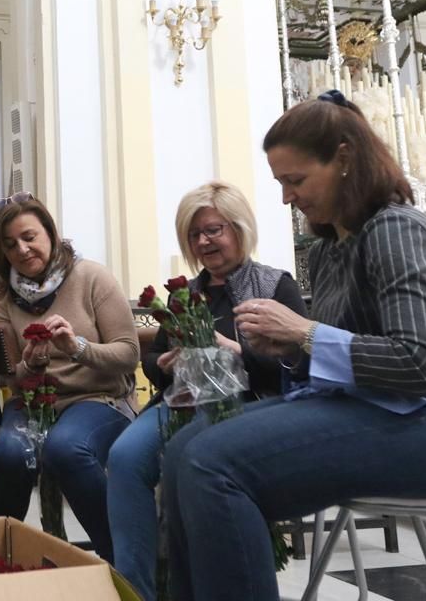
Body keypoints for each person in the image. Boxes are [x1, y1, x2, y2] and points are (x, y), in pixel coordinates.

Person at [161, 91, 426, 601]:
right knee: (183, 451)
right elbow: (341, 354)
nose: (285, 198)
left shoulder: (395, 231)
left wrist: (304, 333)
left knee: (212, 461)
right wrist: (290, 351)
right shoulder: (329, 251)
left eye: (294, 181)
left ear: (343, 160)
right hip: (390, 408)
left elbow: (420, 364)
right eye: (280, 183)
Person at [106, 181, 306, 601]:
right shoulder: (186, 294)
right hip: (182, 403)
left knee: (193, 460)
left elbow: (297, 365)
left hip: (250, 404)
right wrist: (163, 366)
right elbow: (153, 359)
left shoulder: (275, 285)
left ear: (238, 228)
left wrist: (238, 352)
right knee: (123, 458)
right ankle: (136, 592)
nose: (203, 241)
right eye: (195, 235)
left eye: (213, 230)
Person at [0, 193, 139, 561]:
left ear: (50, 233)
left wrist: (77, 347)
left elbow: (128, 355)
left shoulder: (91, 277)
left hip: (98, 398)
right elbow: (11, 380)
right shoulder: (5, 297)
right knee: (7, 452)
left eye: (29, 237)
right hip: (35, 401)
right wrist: (30, 366)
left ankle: (123, 562)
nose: (22, 250)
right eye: (10, 245)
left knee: (67, 449)